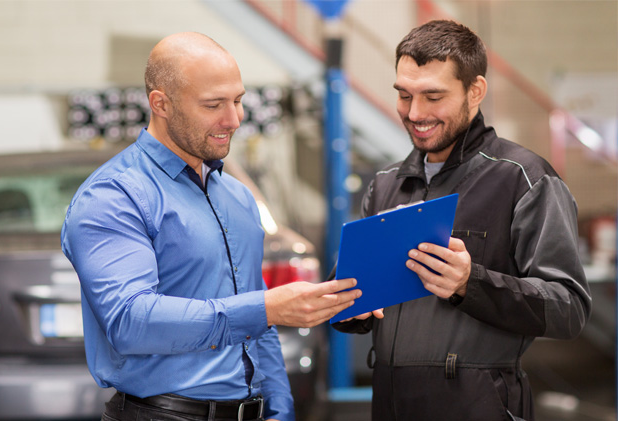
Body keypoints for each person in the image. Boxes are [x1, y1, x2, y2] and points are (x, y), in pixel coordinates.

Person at [62, 32, 361, 421]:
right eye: (213, 105)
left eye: (237, 100)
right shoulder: (114, 196)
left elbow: (259, 324)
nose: (234, 119)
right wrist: (264, 308)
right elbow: (130, 321)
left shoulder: (237, 198)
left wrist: (279, 410)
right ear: (161, 104)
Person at [333, 20, 591, 420]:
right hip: (390, 402)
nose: (415, 113)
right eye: (404, 95)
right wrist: (349, 307)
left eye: (433, 96)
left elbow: (569, 308)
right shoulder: (385, 185)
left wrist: (470, 284)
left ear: (475, 91)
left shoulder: (523, 178)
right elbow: (351, 295)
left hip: (479, 405)